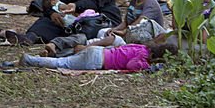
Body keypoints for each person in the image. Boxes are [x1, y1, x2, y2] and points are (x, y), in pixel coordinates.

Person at [19, 40, 169, 72]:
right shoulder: (143, 57)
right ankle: (31, 60)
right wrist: (146, 66)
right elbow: (131, 66)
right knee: (62, 63)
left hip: (100, 51)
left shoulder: (141, 47)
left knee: (64, 59)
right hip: (97, 61)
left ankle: (34, 58)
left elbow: (123, 47)